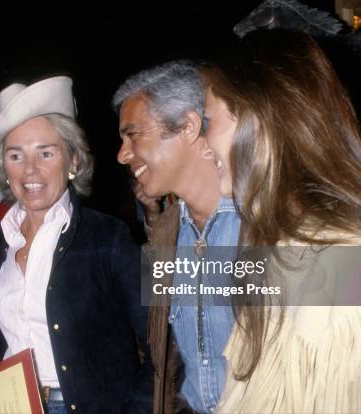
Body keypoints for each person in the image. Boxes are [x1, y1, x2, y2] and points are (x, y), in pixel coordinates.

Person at [201, 29, 361, 413]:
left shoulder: (349, 270)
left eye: (209, 121)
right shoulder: (283, 248)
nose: (205, 146)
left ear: (259, 121)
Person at [0, 76, 152, 413]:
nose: (30, 170)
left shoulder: (110, 239)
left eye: (46, 152)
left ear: (74, 161)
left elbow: (162, 348)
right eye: (15, 155)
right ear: (3, 168)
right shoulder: (0, 239)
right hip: (7, 403)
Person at [113, 61, 242, 413]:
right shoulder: (164, 237)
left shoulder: (265, 226)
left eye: (133, 134)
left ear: (187, 127)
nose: (122, 154)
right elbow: (161, 359)